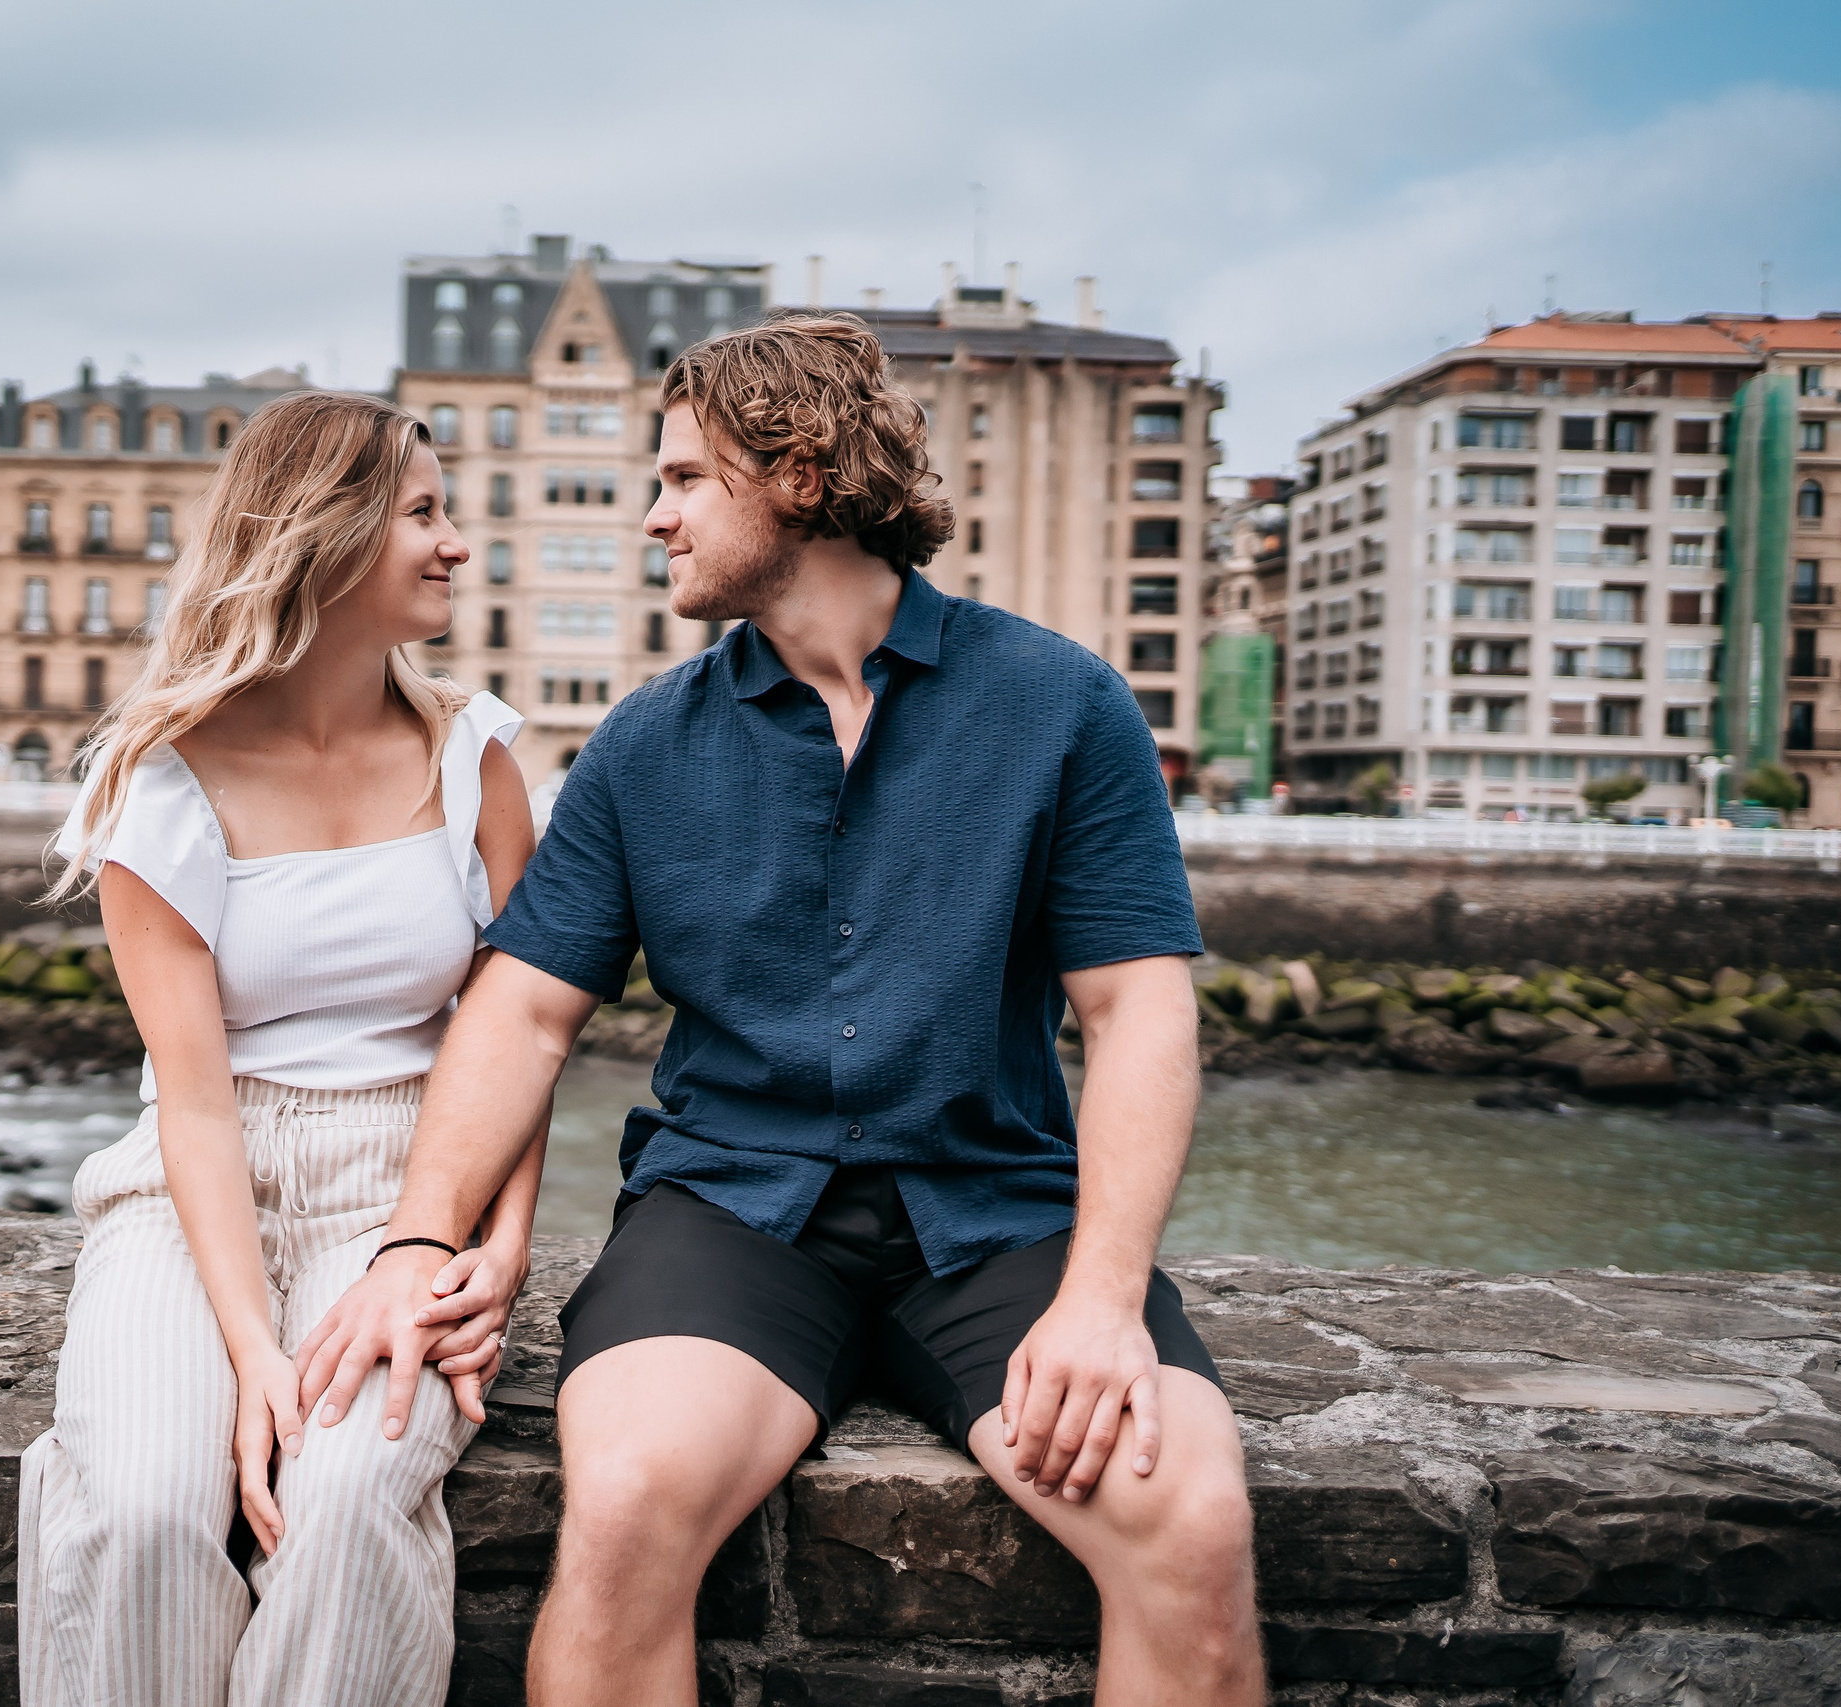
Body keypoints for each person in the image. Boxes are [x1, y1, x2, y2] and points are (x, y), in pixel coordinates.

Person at [296, 314, 1264, 1705]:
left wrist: (1105, 1300)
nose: (652, 518)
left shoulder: (1062, 705)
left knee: (1193, 1526)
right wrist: (416, 1241)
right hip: (731, 1214)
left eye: (685, 479)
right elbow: (519, 1015)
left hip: (998, 1219)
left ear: (797, 474)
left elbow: (1139, 1015)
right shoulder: (648, 741)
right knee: (625, 1505)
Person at [20, 390, 546, 1706]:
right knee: (143, 1504)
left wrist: (501, 1248)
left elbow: (520, 1029)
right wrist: (253, 1354)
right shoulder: (161, 776)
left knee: (352, 1495)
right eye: (425, 514)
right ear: (331, 533)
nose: (455, 544)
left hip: (406, 1189)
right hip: (190, 1191)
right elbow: (193, 1110)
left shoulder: (474, 757)